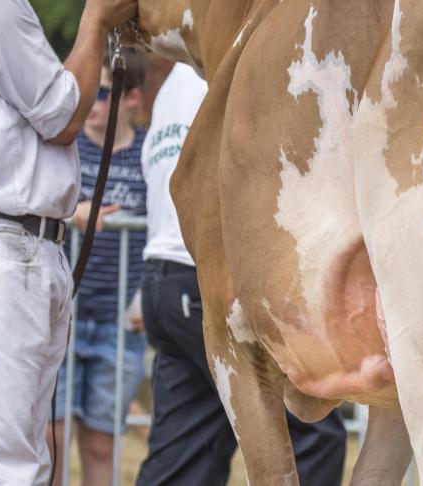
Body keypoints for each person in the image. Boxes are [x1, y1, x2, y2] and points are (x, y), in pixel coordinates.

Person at [0, 0, 136, 483]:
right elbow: (61, 115)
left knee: (17, 461)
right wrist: (95, 19)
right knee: (0, 467)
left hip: (2, 241)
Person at [135, 62, 348, 486]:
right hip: (210, 274)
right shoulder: (235, 64)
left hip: (163, 274)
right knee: (307, 424)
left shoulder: (174, 84)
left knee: (187, 446)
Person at [46, 49, 148, 486]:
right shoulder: (66, 147)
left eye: (105, 92)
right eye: (90, 92)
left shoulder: (148, 153)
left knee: (101, 443)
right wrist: (74, 213)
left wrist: (143, 299)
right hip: (61, 314)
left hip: (120, 322)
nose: (95, 103)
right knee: (51, 436)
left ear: (132, 99)